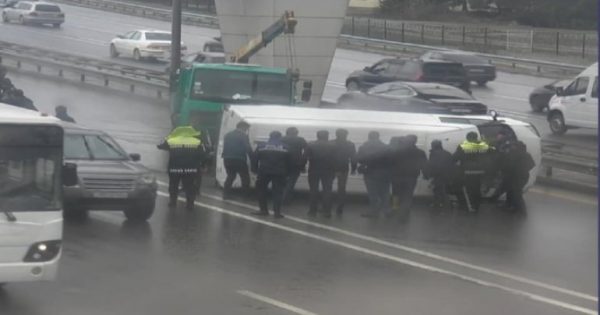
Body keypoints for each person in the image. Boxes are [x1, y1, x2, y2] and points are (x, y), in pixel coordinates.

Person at [157, 126, 206, 210]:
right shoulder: (197, 141)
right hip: (191, 168)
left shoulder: (171, 140)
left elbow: (160, 146)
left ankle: (173, 202)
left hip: (174, 168)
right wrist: (202, 165)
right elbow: (203, 154)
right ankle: (190, 204)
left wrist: (168, 137)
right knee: (190, 186)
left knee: (173, 184)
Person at [251, 131, 291, 218]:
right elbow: (289, 161)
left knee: (261, 190)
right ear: (280, 137)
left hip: (264, 171)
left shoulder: (261, 146)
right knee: (277, 192)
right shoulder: (286, 147)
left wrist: (254, 170)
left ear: (270, 136)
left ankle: (263, 210)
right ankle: (277, 213)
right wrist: (287, 173)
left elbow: (254, 158)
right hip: (279, 172)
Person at [357, 131, 392, 218]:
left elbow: (359, 159)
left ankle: (374, 212)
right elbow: (391, 160)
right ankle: (386, 210)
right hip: (384, 172)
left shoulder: (364, 147)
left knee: (373, 193)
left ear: (369, 137)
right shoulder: (385, 147)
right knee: (385, 192)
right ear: (378, 137)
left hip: (370, 172)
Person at [453, 131, 490, 212]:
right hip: (480, 171)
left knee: (467, 189)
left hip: (467, 171)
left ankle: (466, 206)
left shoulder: (463, 146)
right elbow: (488, 158)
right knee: (477, 188)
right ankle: (476, 205)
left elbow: (455, 158)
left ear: (467, 138)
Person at [390, 134, 427, 214]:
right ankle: (405, 209)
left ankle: (395, 208)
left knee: (396, 192)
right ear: (415, 141)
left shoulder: (397, 151)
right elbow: (424, 165)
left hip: (397, 176)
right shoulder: (420, 152)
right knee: (408, 193)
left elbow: (391, 163)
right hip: (411, 176)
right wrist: (426, 174)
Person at [304, 130, 336, 218]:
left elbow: (304, 157)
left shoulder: (310, 144)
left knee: (313, 190)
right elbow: (336, 159)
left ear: (317, 136)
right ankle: (327, 211)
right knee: (327, 191)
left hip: (314, 170)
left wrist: (303, 167)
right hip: (329, 170)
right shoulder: (333, 146)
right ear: (327, 136)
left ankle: (312, 210)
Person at [221, 121, 253, 197]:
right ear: (243, 127)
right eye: (246, 128)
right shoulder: (243, 135)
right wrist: (253, 158)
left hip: (227, 158)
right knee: (245, 177)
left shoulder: (228, 135)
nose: (247, 130)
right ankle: (245, 195)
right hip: (239, 159)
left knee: (231, 176)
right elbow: (247, 148)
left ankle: (225, 194)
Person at [503, 141, 535, 211]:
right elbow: (532, 164)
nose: (512, 147)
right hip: (519, 176)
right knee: (511, 190)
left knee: (516, 192)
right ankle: (510, 204)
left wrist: (520, 169)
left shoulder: (516, 154)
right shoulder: (526, 154)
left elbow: (510, 164)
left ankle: (519, 208)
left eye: (514, 146)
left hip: (519, 176)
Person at [331, 128, 357, 215]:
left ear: (336, 134)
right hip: (343, 168)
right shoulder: (350, 144)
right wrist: (353, 169)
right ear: (346, 135)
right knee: (341, 188)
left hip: (331, 168)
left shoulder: (331, 143)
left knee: (328, 187)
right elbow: (353, 158)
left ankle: (326, 205)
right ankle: (340, 208)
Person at [424, 140, 455, 209]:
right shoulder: (447, 153)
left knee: (439, 191)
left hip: (438, 175)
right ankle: (443, 205)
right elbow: (452, 165)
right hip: (447, 175)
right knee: (443, 190)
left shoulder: (434, 154)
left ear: (434, 146)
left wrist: (429, 175)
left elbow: (432, 165)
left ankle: (442, 205)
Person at [281, 127, 307, 203]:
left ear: (287, 132)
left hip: (283, 162)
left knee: (283, 181)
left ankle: (282, 197)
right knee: (291, 182)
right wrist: (303, 164)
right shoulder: (301, 140)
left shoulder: (282, 139)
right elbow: (306, 151)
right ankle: (286, 198)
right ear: (296, 133)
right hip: (296, 163)